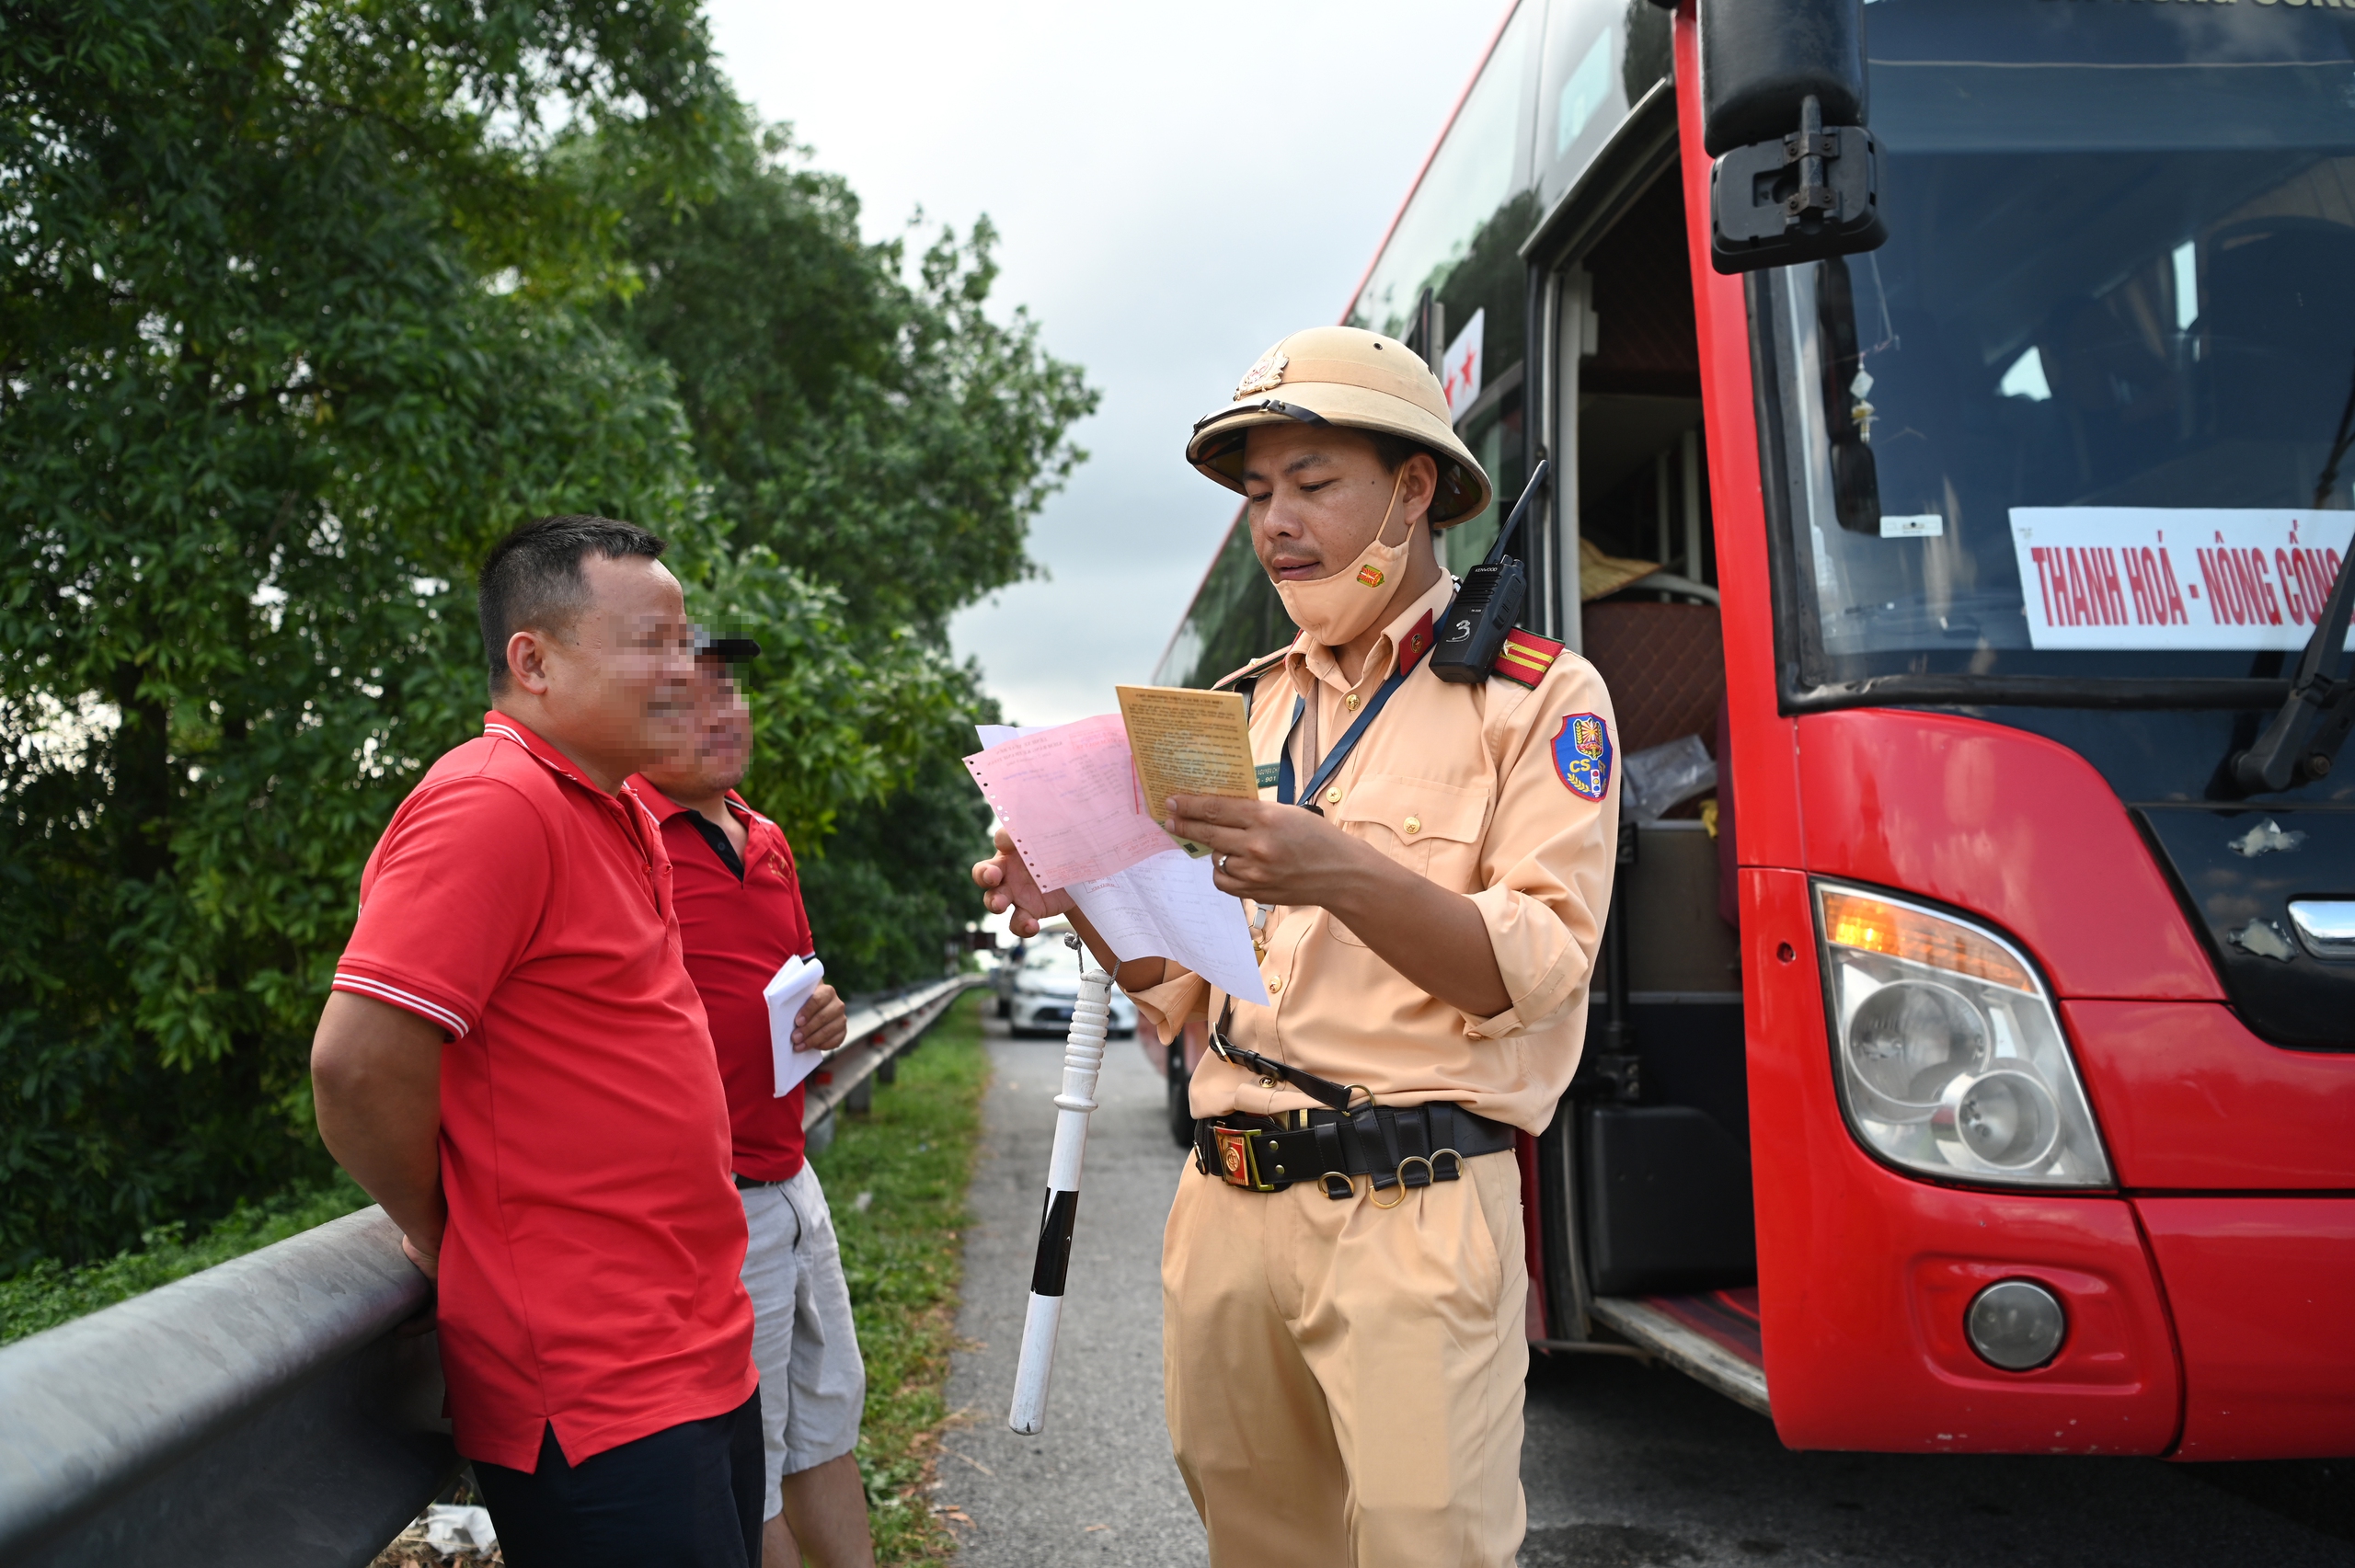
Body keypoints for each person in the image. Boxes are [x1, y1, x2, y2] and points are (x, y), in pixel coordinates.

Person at [972, 326, 1618, 1568]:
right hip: (1223, 1206)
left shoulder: (1539, 699)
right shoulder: (1242, 706)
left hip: (1416, 1203)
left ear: (1415, 485)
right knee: (1258, 1546)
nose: (1278, 523)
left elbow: (1533, 972)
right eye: (1260, 493)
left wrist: (1335, 867)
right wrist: (1079, 894)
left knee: (1428, 1549)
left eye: (1314, 484)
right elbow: (1176, 990)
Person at [311, 515, 764, 1568]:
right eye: (650, 641)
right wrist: (447, 1225)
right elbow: (355, 1063)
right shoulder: (490, 801)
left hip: (695, 1350)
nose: (683, 668)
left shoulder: (620, 811)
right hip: (597, 1386)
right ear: (534, 660)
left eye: (686, 639)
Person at [626, 639, 878, 1568]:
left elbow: (800, 988)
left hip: (789, 1173)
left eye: (728, 690)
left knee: (825, 1422)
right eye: (688, 702)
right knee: (754, 1463)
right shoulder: (627, 837)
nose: (722, 712)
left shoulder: (764, 837)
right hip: (709, 1201)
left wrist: (828, 1012)